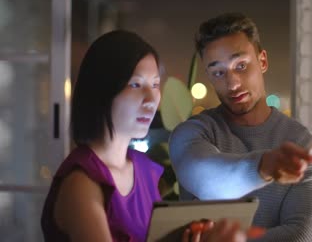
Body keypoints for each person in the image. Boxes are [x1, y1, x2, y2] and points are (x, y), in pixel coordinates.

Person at [41, 30, 249, 242]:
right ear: (102, 89)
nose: (151, 99)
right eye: (136, 84)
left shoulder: (144, 170)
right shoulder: (82, 185)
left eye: (156, 85)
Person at [169, 13, 312, 241]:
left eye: (241, 65)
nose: (232, 83)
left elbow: (304, 234)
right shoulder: (192, 134)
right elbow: (208, 181)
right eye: (218, 72)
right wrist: (264, 166)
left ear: (262, 61)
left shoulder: (300, 142)